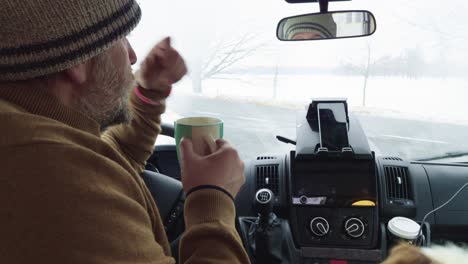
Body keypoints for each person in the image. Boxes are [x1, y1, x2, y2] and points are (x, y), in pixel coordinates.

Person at [0, 0, 249, 263]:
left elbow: (107, 159)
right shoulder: (50, 174)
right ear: (78, 59)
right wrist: (212, 199)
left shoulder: (30, 131)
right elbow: (84, 175)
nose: (132, 56)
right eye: (122, 38)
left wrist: (149, 93)